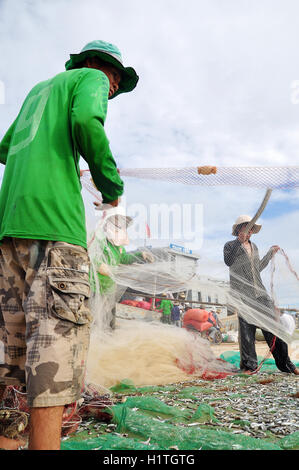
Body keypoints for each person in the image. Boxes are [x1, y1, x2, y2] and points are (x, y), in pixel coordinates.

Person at [0, 40, 139, 450]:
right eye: (116, 80)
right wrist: (111, 187)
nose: (113, 89)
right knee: (51, 374)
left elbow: (6, 148)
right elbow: (85, 121)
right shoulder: (91, 78)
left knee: (13, 369)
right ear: (105, 69)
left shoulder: (37, 92)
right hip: (56, 235)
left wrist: (56, 156)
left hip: (10, 235)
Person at [224, 215, 299, 375]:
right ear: (238, 229)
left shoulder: (255, 247)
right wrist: (239, 241)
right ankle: (249, 367)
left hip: (260, 293)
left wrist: (270, 254)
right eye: (246, 228)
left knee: (274, 326)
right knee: (247, 331)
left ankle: (287, 364)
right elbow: (228, 261)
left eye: (251, 229)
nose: (249, 232)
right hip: (242, 295)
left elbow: (257, 268)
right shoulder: (230, 245)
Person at [90, 206, 154, 329]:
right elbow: (87, 253)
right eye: (116, 222)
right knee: (92, 319)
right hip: (93, 287)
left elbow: (123, 258)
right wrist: (98, 265)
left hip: (109, 288)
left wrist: (141, 255)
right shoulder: (97, 236)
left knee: (107, 322)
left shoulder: (118, 245)